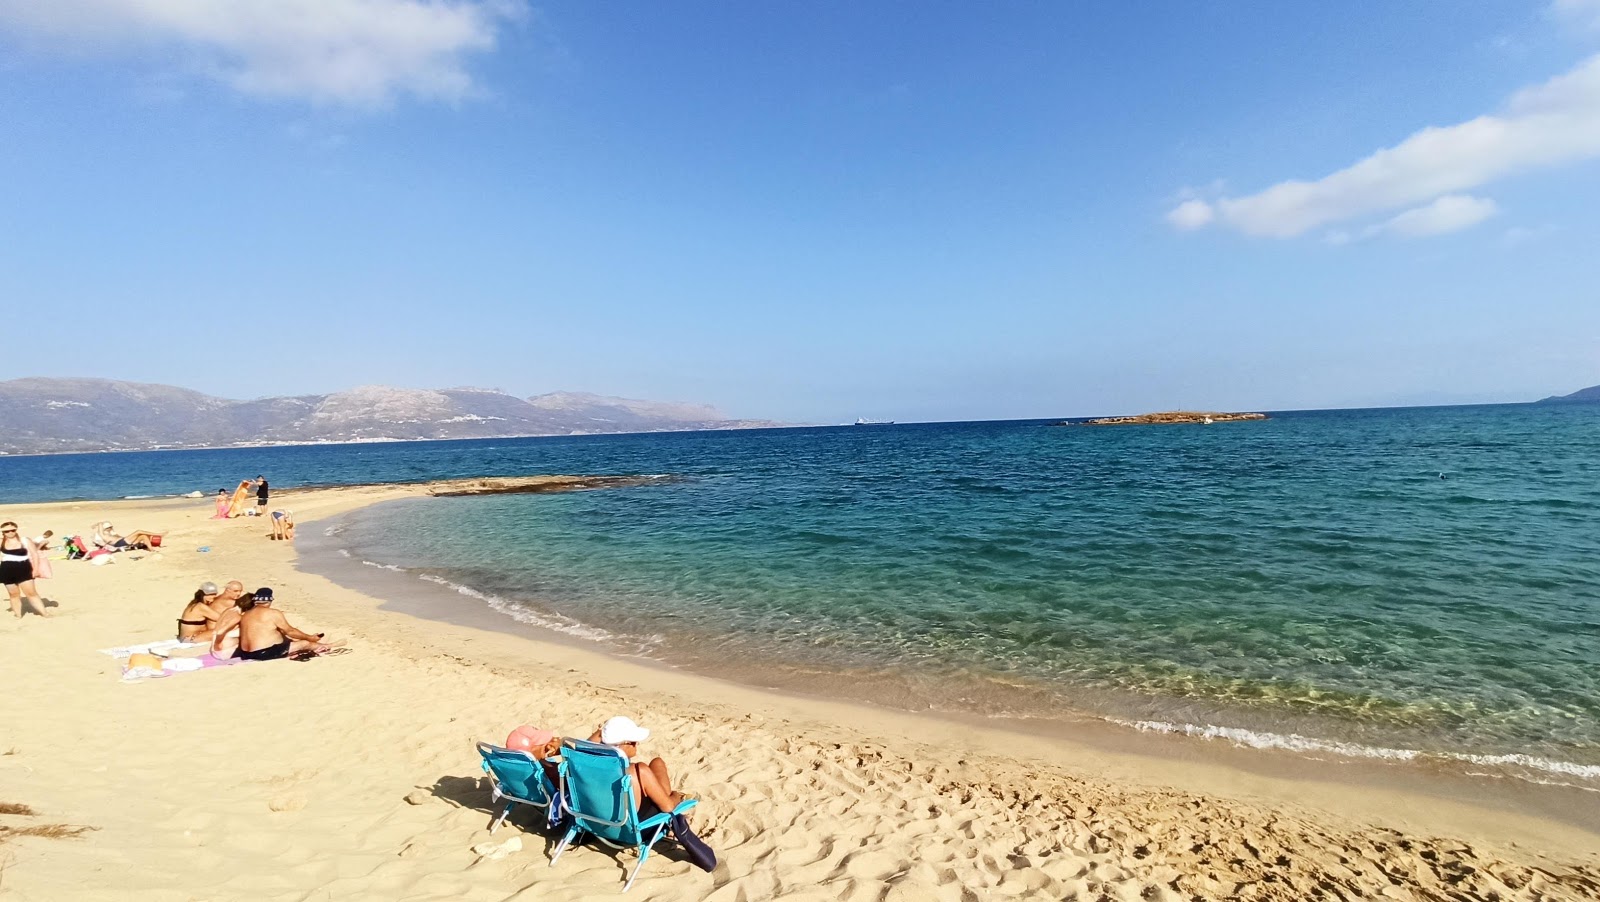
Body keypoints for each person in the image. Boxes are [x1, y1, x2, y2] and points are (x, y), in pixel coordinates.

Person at [588, 716, 688, 817]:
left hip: (599, 819)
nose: (637, 744)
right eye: (633, 741)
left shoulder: (588, 762)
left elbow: (586, 744)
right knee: (658, 764)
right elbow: (668, 807)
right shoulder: (638, 771)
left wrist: (605, 732)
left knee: (657, 762)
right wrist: (677, 796)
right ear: (623, 745)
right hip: (636, 824)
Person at [236, 587, 330, 661]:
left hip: (245, 654)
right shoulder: (272, 613)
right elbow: (290, 631)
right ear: (270, 601)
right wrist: (310, 637)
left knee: (284, 638)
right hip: (262, 654)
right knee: (304, 643)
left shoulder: (246, 614)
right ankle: (328, 646)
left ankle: (321, 645)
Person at [1, 522, 48, 619]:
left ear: (16, 530)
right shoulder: (1, 541)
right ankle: (18, 615)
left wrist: (35, 570)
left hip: (24, 568)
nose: (10, 532)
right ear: (3, 532)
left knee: (31, 593)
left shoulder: (25, 540)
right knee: (13, 594)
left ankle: (45, 614)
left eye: (13, 530)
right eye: (6, 531)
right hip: (6, 570)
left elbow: (35, 554)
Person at [210, 592, 255, 659]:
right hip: (224, 652)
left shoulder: (229, 610)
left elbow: (217, 629)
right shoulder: (237, 617)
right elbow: (219, 632)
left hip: (215, 651)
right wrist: (217, 646)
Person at [91, 521, 165, 551]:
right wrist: (97, 524)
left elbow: (114, 532)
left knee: (143, 536)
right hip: (120, 543)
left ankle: (151, 549)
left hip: (124, 541)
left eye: (110, 527)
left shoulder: (111, 533)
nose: (110, 528)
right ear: (105, 528)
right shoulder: (103, 535)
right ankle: (160, 534)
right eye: (109, 527)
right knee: (138, 531)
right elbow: (100, 525)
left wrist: (111, 529)